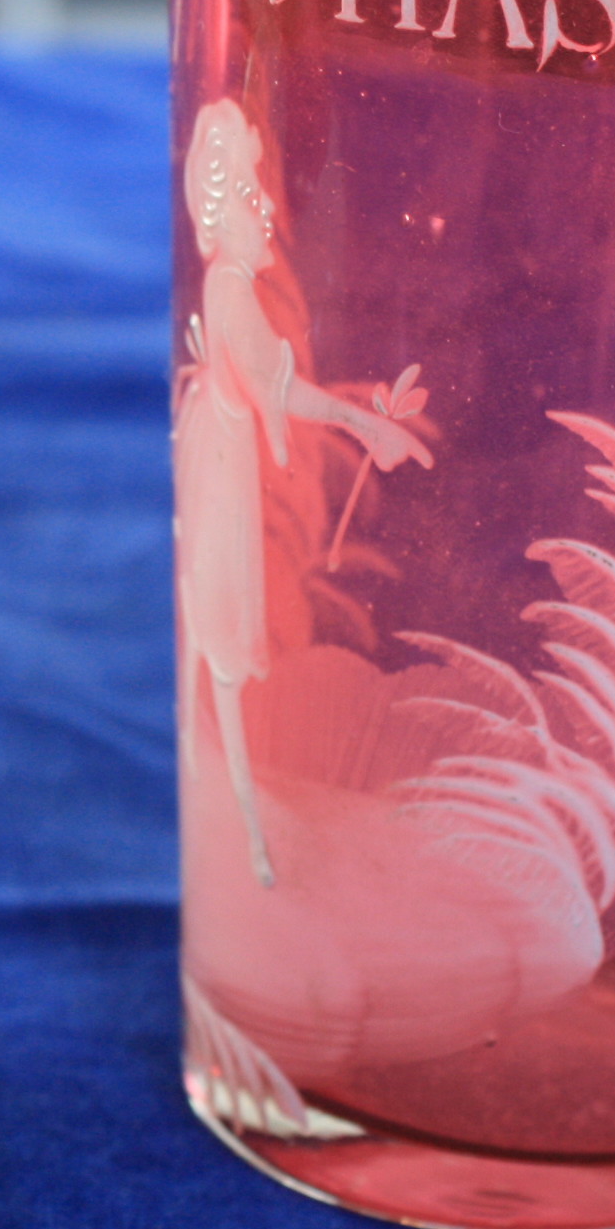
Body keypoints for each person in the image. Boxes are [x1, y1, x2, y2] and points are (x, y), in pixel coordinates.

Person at [174, 97, 429, 887]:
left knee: (214, 645)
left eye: (262, 202)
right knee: (220, 646)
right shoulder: (231, 293)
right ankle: (246, 827)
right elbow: (281, 391)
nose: (262, 219)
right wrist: (369, 427)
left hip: (223, 465)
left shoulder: (230, 287)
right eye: (250, 204)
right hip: (222, 478)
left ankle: (232, 809)